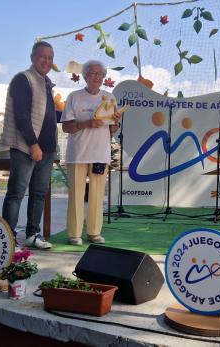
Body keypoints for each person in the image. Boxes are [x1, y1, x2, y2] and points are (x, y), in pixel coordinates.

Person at [1, 41, 58, 250]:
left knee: (39, 192)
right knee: (16, 193)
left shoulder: (47, 83)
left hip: (47, 149)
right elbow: (22, 115)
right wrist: (33, 144)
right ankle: (8, 238)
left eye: (50, 58)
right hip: (26, 147)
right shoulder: (23, 79)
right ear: (32, 57)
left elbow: (50, 116)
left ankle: (33, 234)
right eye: (43, 56)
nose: (47, 61)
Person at [61, 60, 120, 245]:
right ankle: (74, 235)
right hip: (78, 154)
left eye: (100, 75)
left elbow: (112, 130)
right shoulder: (74, 96)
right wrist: (87, 123)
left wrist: (117, 122)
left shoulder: (109, 98)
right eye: (93, 74)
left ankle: (94, 233)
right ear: (85, 76)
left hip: (100, 154)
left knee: (96, 195)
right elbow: (66, 127)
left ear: (104, 78)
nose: (97, 78)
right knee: (77, 196)